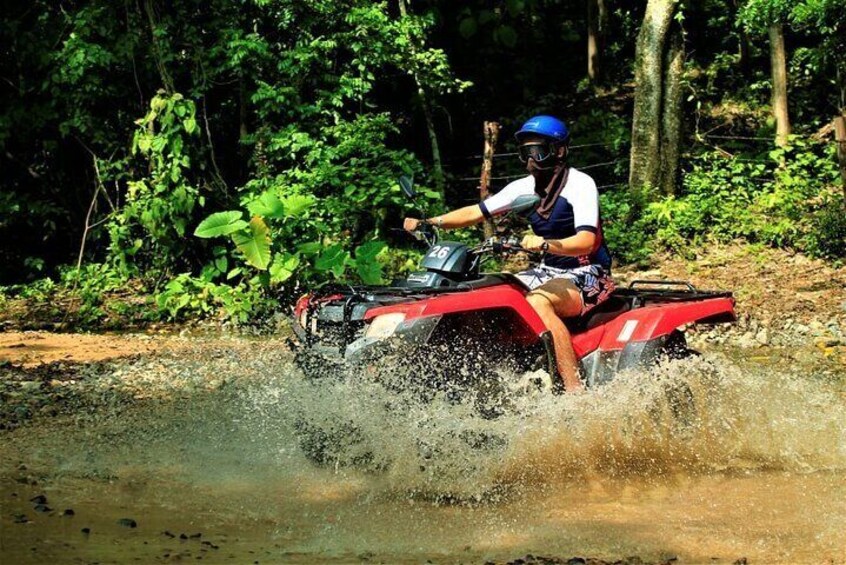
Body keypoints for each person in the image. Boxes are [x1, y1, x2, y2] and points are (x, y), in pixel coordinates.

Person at [403, 115, 616, 392]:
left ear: (560, 150)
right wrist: (431, 222)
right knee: (485, 295)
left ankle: (575, 391)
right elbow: (475, 212)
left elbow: (586, 241)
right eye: (525, 152)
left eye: (537, 150)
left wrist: (544, 244)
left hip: (589, 273)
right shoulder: (523, 187)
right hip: (547, 271)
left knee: (539, 302)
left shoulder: (580, 183)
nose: (531, 159)